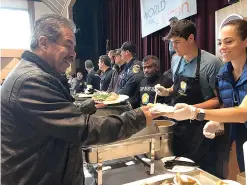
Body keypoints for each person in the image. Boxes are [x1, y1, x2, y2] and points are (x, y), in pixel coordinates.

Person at [1, 14, 163, 185]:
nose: (73, 54)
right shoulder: (30, 81)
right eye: (68, 46)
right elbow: (83, 129)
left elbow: (59, 115)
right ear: (43, 43)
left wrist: (90, 104)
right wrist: (138, 117)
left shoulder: (37, 74)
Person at [164, 19, 247, 174]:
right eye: (220, 42)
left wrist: (196, 112)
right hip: (234, 138)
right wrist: (219, 122)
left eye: (228, 42)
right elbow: (226, 106)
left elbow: (243, 113)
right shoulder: (224, 74)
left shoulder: (212, 64)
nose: (222, 47)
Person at [155, 19, 223, 176]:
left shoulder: (211, 63)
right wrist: (167, 91)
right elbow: (179, 87)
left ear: (191, 38)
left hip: (199, 129)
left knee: (197, 172)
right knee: (176, 169)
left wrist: (193, 110)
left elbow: (218, 100)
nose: (174, 47)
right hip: (178, 126)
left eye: (177, 42)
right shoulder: (175, 60)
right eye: (172, 42)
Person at [118, 41, 144, 108]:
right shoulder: (127, 67)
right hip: (126, 101)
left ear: (127, 52)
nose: (120, 54)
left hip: (133, 104)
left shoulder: (136, 66)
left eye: (121, 51)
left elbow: (130, 86)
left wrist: (115, 94)